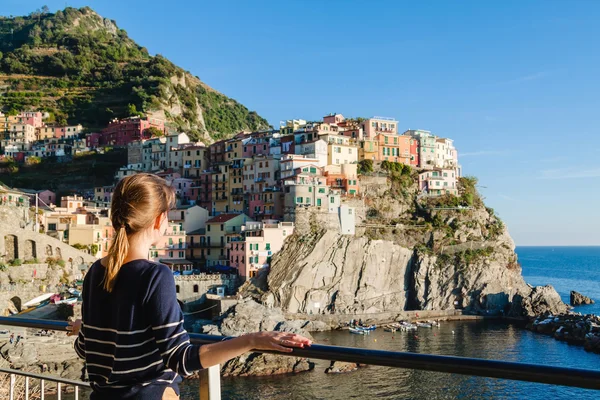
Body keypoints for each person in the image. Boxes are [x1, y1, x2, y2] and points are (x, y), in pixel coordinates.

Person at [66, 174, 311, 400]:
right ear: (161, 219)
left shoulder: (96, 271)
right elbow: (180, 358)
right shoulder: (155, 275)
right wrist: (252, 340)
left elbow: (85, 348)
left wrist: (87, 328)